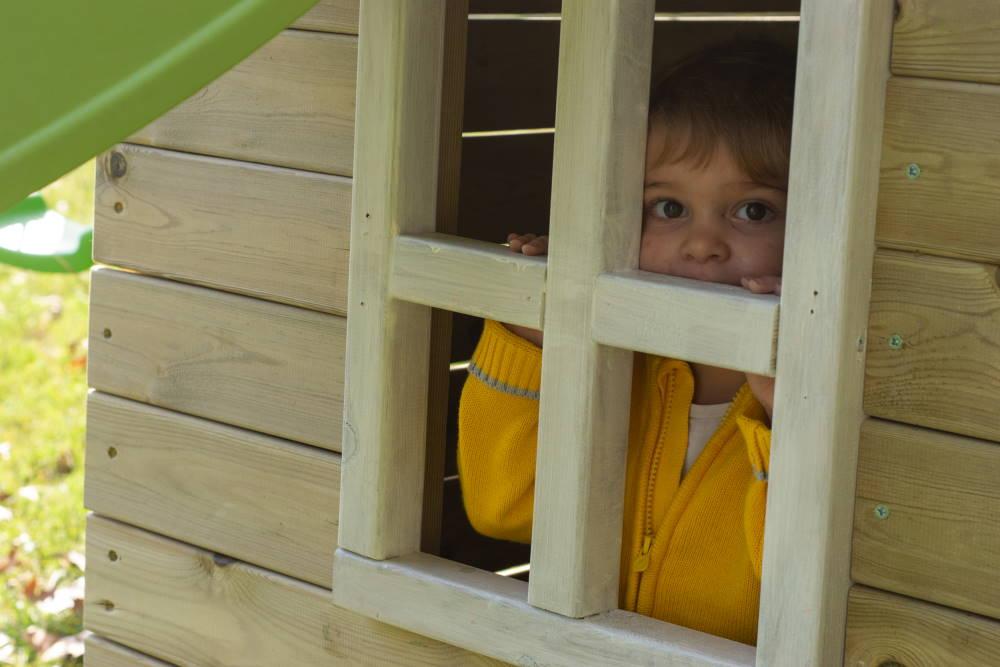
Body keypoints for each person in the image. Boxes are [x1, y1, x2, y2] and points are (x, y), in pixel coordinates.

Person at [457, 39, 795, 646]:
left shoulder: (811, 398)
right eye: (669, 207)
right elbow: (500, 508)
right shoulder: (615, 366)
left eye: (753, 211)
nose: (702, 244)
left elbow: (798, 587)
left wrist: (785, 415)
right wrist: (539, 335)